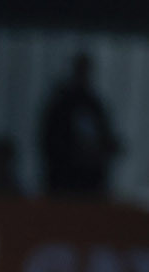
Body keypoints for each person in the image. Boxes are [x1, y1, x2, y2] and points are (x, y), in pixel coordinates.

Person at [39, 52, 121, 197]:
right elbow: (51, 143)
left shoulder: (93, 105)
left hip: (90, 185)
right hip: (64, 184)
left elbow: (104, 139)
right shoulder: (61, 106)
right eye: (80, 69)